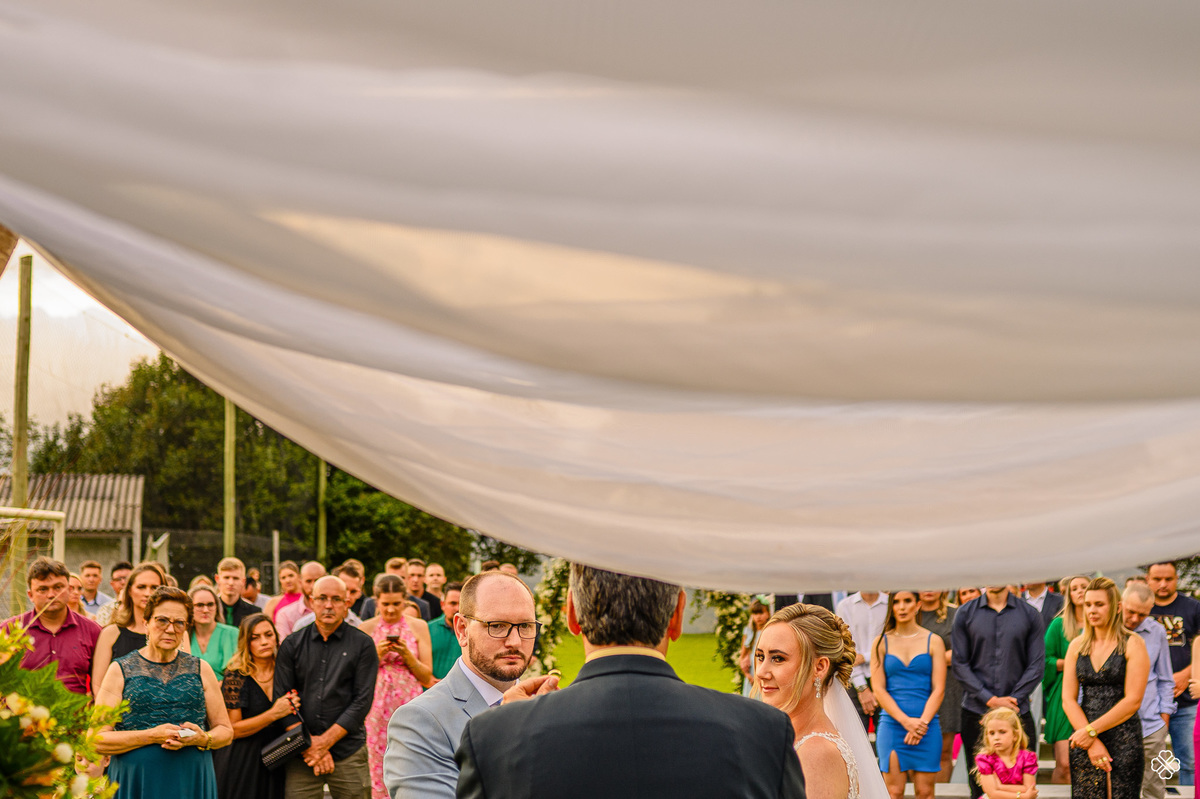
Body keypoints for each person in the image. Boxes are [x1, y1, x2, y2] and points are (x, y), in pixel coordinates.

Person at [455, 564, 808, 799]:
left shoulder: (493, 738)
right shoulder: (763, 731)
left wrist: (513, 730)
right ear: (677, 616)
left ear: (572, 614)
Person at [382, 571, 543, 798]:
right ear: (462, 630)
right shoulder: (419, 721)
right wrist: (506, 729)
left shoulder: (545, 710)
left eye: (525, 626)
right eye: (497, 625)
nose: (515, 642)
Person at [94, 586, 233, 799]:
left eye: (179, 623)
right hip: (137, 780)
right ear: (146, 623)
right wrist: (150, 736)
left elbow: (225, 731)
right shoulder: (120, 670)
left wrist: (203, 738)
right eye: (162, 620)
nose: (170, 629)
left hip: (190, 779)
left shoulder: (201, 669)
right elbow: (96, 738)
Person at [756, 603, 889, 799]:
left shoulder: (817, 753)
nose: (761, 672)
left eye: (778, 658)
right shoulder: (793, 739)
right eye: (760, 657)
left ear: (819, 667)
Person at [274, 575, 378, 799]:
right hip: (301, 754)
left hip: (348, 752)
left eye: (336, 599)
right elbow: (282, 700)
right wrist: (310, 746)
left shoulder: (363, 645)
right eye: (322, 598)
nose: (329, 605)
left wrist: (323, 744)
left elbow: (362, 701)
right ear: (311, 602)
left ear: (347, 604)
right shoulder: (292, 644)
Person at [952, 584, 1044, 799]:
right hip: (976, 711)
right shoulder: (965, 613)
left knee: (1024, 786)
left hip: (1018, 713)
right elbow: (960, 664)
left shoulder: (1030, 614)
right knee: (979, 788)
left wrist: (1013, 699)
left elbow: (1037, 665)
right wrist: (990, 699)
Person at [1063, 576, 1148, 799]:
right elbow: (1068, 700)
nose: (1092, 610)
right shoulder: (1076, 646)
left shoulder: (1133, 643)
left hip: (1123, 736)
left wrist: (1092, 731)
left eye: (1099, 604)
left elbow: (1133, 700)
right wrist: (1089, 739)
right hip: (1083, 734)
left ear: (1117, 607)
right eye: (1088, 604)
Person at [359, 575, 432, 799]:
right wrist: (377, 655)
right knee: (377, 763)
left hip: (409, 704)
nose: (390, 609)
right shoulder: (366, 627)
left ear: (405, 601)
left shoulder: (418, 626)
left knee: (412, 759)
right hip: (376, 708)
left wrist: (407, 655)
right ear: (376, 601)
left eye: (396, 603)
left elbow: (426, 675)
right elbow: (357, 675)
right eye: (385, 604)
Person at [215, 613, 300, 799]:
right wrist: (274, 714)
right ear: (246, 642)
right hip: (243, 759)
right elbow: (233, 729)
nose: (264, 642)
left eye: (268, 635)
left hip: (278, 755)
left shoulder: (286, 670)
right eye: (255, 637)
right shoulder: (236, 676)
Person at [870, 590, 945, 799]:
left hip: (926, 725)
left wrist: (921, 724)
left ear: (918, 604)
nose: (902, 607)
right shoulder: (880, 642)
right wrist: (906, 722)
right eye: (896, 602)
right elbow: (879, 690)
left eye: (907, 601)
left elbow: (939, 689)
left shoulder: (934, 641)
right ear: (891, 607)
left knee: (925, 792)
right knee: (893, 792)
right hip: (893, 725)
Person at [3, 557, 101, 695]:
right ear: (30, 595)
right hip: (23, 708)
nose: (51, 595)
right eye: (42, 589)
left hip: (75, 708)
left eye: (58, 587)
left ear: (69, 589)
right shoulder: (9, 631)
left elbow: (102, 687)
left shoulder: (93, 632)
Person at [1148, 560, 1200, 786]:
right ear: (1148, 580)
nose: (1163, 584)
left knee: (1189, 761)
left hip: (1186, 701)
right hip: (1149, 702)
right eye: (1157, 579)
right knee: (1150, 761)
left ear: (1177, 579)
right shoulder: (1140, 610)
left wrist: (1187, 674)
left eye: (1168, 579)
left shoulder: (1193, 608)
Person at [1124, 581, 1176, 799]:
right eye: (1131, 611)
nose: (1135, 618)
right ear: (1121, 604)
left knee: (1154, 788)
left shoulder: (1157, 631)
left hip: (1151, 725)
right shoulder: (1105, 630)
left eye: (1142, 614)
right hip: (1114, 723)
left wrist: (1164, 719)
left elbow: (1165, 678)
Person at [1043, 574, 1090, 783]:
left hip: (1095, 692)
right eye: (1075, 588)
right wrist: (1072, 662)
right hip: (1063, 693)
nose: (1080, 591)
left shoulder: (1101, 624)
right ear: (1068, 595)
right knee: (1064, 764)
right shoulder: (1058, 625)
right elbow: (1046, 660)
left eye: (1084, 587)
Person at [92, 562, 166, 691]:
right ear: (130, 590)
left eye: (154, 587)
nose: (148, 593)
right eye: (141, 587)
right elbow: (98, 685)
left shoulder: (175, 632)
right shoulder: (111, 634)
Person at [916, 590, 960, 782]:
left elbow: (961, 652)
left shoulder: (954, 614)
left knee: (943, 751)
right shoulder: (907, 612)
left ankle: (941, 792)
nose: (929, 589)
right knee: (914, 749)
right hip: (914, 687)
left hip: (948, 688)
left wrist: (920, 659)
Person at [836, 590, 888, 739]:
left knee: (886, 737)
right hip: (853, 679)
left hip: (885, 677)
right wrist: (861, 687)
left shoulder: (890, 603)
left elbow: (893, 644)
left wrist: (865, 657)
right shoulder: (845, 606)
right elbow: (846, 649)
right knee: (855, 738)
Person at [972, 707, 1038, 799]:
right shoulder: (985, 759)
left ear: (1015, 735)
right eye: (992, 733)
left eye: (1002, 732)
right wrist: (1022, 796)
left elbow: (1029, 788)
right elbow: (992, 794)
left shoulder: (1027, 758)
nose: (996, 737)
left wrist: (999, 787)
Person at [190, 584, 240, 681]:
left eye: (210, 604)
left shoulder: (233, 634)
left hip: (226, 688)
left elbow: (237, 674)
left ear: (217, 607)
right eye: (199, 605)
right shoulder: (183, 636)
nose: (206, 610)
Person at [275, 561, 325, 639]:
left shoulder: (338, 610)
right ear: (300, 582)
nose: (313, 586)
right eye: (308, 581)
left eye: (317, 580)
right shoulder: (285, 615)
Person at [427, 582, 463, 682]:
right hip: (430, 688)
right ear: (442, 605)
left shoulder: (472, 633)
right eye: (453, 603)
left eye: (461, 604)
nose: (457, 608)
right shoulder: (428, 629)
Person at [215, 557, 258, 628]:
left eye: (235, 578)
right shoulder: (209, 610)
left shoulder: (254, 613)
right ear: (217, 579)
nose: (231, 583)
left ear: (243, 581)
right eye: (226, 577)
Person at [740, 599, 771, 696]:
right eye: (755, 613)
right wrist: (748, 675)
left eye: (761, 613)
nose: (758, 617)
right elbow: (742, 656)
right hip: (751, 674)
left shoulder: (770, 631)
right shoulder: (749, 631)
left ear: (768, 614)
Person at [94, 561, 135, 627]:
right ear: (112, 584)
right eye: (118, 579)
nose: (123, 582)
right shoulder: (105, 610)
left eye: (127, 578)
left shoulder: (141, 606)